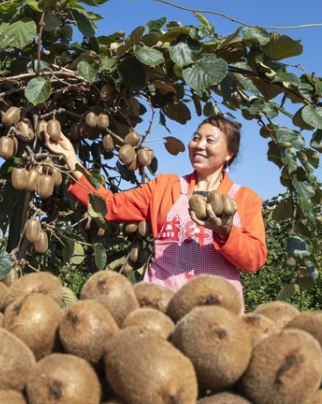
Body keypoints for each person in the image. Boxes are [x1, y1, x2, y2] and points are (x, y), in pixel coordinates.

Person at [45, 114, 267, 296]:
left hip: (217, 312)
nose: (199, 145)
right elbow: (110, 206)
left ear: (230, 153)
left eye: (210, 140)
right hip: (160, 304)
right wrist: (71, 158)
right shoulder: (164, 186)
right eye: (196, 138)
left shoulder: (245, 198)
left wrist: (226, 232)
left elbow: (254, 260)